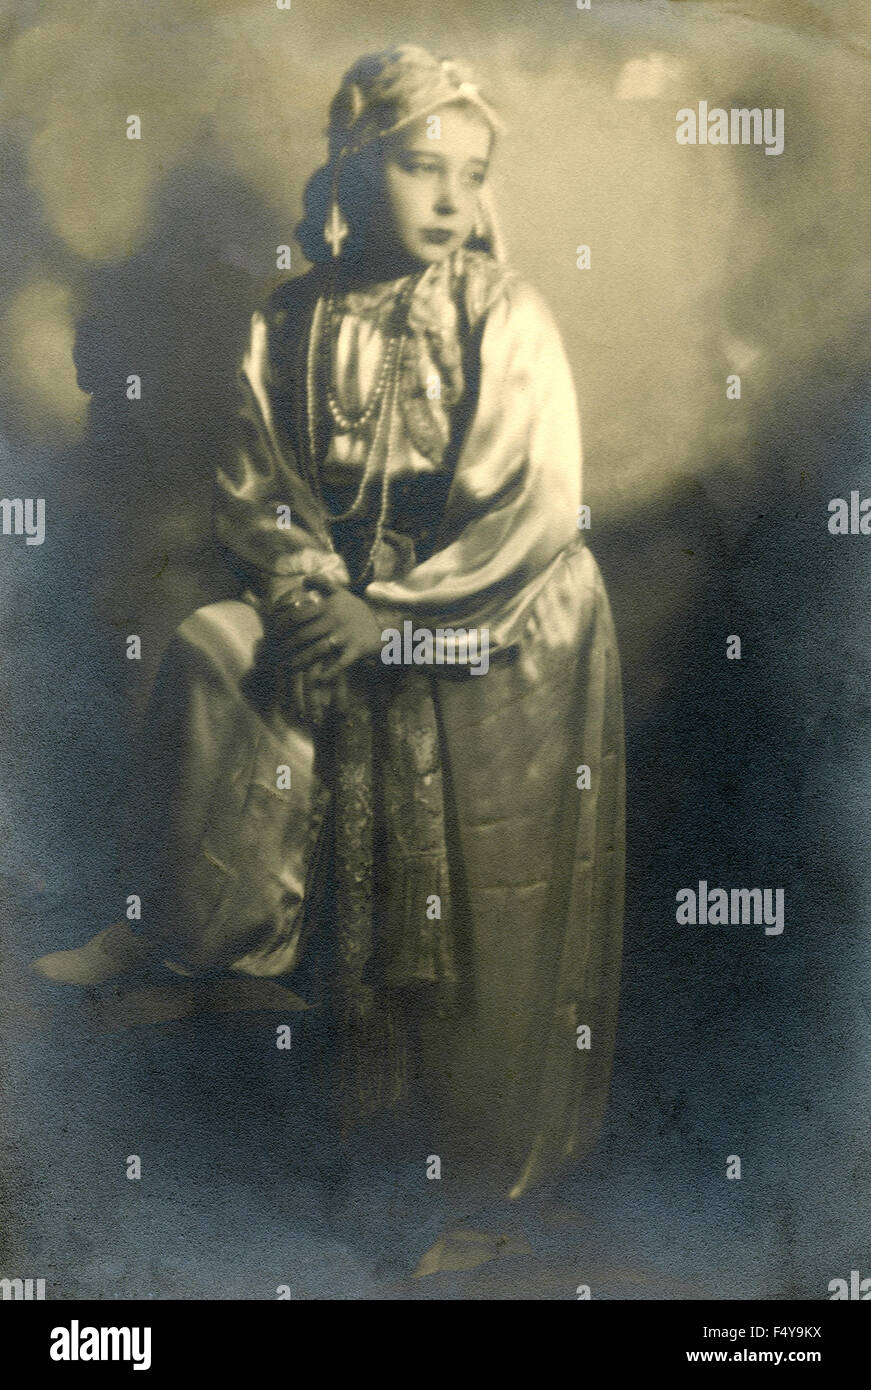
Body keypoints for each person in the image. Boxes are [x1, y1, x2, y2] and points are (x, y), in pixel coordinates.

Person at [33, 44, 625, 1219]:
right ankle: (213, 933)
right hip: (344, 603)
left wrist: (390, 613)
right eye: (421, 168)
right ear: (355, 170)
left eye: (472, 173)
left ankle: (467, 1156)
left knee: (460, 860)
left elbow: (535, 505)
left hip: (500, 614)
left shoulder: (503, 312)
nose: (454, 200)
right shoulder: (289, 316)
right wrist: (307, 590)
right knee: (212, 640)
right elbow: (257, 487)